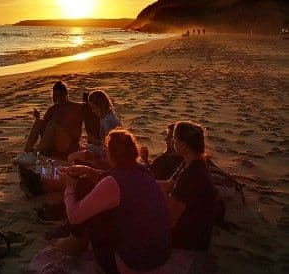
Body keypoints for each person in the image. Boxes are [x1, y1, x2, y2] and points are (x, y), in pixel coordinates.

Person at [59, 128, 171, 273]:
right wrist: (89, 171)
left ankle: (85, 252)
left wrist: (69, 187)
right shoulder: (143, 171)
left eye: (106, 149)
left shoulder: (114, 182)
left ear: (111, 154)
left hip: (136, 261)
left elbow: (74, 217)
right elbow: (116, 179)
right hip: (160, 255)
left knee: (97, 218)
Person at [158, 121, 215, 251]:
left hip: (188, 240)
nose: (172, 142)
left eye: (174, 139)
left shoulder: (191, 175)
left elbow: (171, 219)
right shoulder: (191, 162)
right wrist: (142, 182)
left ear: (183, 144)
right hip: (190, 230)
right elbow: (168, 185)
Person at [24, 81, 83, 158]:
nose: (59, 98)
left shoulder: (76, 107)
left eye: (61, 95)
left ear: (66, 93)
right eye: (56, 96)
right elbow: (44, 127)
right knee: (39, 122)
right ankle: (26, 152)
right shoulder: (53, 109)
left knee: (53, 124)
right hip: (54, 143)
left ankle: (36, 154)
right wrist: (37, 118)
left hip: (69, 143)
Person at [68, 90, 120, 166]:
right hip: (111, 156)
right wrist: (96, 142)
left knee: (72, 157)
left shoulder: (107, 122)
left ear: (100, 106)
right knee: (83, 150)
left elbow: (109, 150)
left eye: (93, 108)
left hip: (109, 160)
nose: (92, 111)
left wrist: (91, 148)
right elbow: (108, 143)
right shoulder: (110, 117)